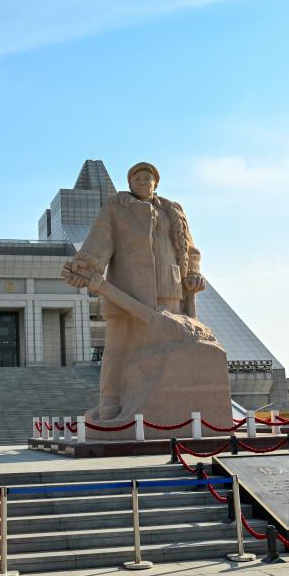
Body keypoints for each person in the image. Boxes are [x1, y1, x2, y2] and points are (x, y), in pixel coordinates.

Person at [62, 162, 206, 421]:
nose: (142, 182)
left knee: (169, 344)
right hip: (126, 289)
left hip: (169, 286)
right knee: (117, 347)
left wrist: (193, 274)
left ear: (155, 183)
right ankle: (110, 399)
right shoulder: (117, 207)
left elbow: (190, 249)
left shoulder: (172, 210)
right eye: (137, 178)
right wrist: (84, 267)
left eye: (147, 178)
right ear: (129, 183)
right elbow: (100, 240)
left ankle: (170, 400)